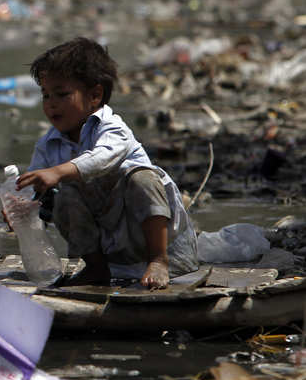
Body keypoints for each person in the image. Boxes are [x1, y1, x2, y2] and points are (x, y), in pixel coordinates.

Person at [15, 37, 198, 289]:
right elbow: (34, 185)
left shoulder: (112, 127)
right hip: (108, 241)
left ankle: (158, 260)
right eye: (46, 95)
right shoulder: (49, 144)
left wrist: (58, 172)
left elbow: (102, 158)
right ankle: (96, 267)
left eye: (61, 94)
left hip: (142, 229)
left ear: (95, 95)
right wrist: (20, 206)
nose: (51, 103)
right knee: (63, 195)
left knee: (142, 178)